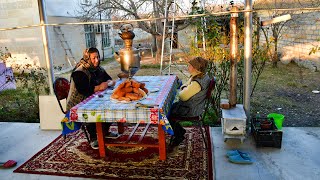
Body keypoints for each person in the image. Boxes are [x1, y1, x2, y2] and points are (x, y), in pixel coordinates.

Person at [66, 47, 118, 149]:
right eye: (94, 58)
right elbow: (83, 90)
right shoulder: (79, 72)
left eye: (98, 57)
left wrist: (108, 82)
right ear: (87, 58)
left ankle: (104, 131)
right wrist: (98, 87)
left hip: (94, 98)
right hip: (78, 103)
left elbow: (109, 79)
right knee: (92, 111)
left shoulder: (98, 69)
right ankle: (93, 138)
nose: (97, 60)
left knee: (113, 106)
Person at [168, 57, 211, 147]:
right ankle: (180, 131)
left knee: (166, 113)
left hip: (191, 109)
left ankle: (179, 135)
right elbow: (185, 86)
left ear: (195, 68)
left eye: (190, 66)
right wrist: (185, 88)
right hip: (194, 106)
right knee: (169, 108)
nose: (188, 67)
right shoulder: (201, 76)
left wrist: (184, 88)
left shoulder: (197, 83)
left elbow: (182, 96)